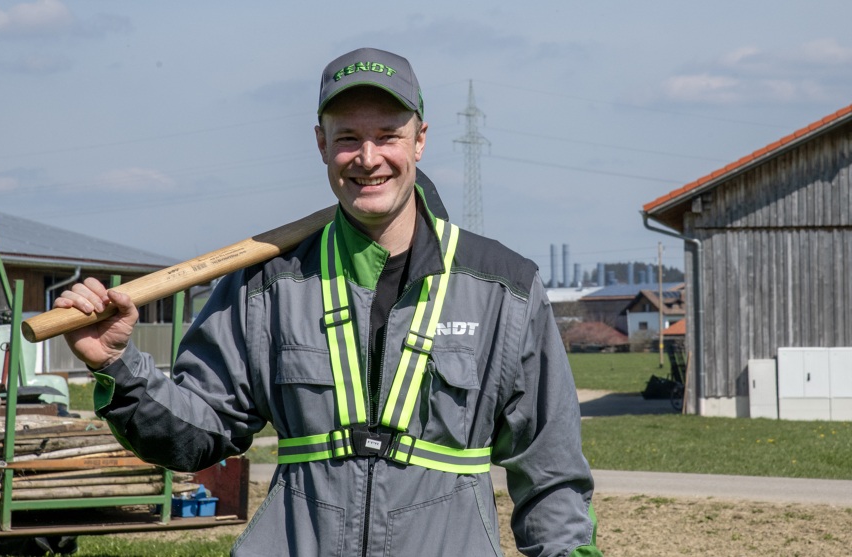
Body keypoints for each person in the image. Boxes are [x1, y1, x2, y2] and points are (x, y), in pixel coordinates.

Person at [56, 47, 601, 557]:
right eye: (348, 138)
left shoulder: (505, 288)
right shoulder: (266, 284)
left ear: (420, 140)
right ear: (321, 143)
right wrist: (116, 365)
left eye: (388, 135)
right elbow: (198, 437)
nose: (368, 158)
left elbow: (551, 474)